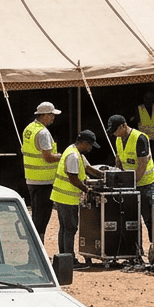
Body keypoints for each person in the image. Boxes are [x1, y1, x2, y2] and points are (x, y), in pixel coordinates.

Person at [51, 130, 106, 266]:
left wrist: (104, 176)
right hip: (67, 198)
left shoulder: (75, 152)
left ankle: (64, 258)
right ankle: (70, 260)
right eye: (90, 145)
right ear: (83, 143)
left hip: (62, 197)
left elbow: (88, 168)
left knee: (65, 229)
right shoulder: (73, 156)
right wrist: (86, 189)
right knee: (70, 229)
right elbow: (73, 178)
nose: (91, 148)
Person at [108, 113, 154, 243]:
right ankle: (136, 249)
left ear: (123, 126)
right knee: (131, 219)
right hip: (129, 184)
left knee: (148, 218)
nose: (114, 134)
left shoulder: (140, 138)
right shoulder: (118, 139)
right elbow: (119, 159)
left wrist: (132, 184)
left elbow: (142, 165)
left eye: (115, 130)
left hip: (145, 184)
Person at [21, 101, 62, 240]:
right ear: (43, 115)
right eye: (51, 115)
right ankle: (38, 247)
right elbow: (48, 157)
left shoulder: (29, 128)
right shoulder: (43, 133)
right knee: (42, 219)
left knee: (37, 216)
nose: (53, 118)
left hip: (32, 179)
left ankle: (37, 246)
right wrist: (62, 156)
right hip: (44, 181)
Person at [136, 91, 154, 162]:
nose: (148, 100)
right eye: (147, 98)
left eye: (150, 98)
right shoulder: (139, 108)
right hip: (143, 136)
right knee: (145, 156)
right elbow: (136, 121)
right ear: (144, 99)